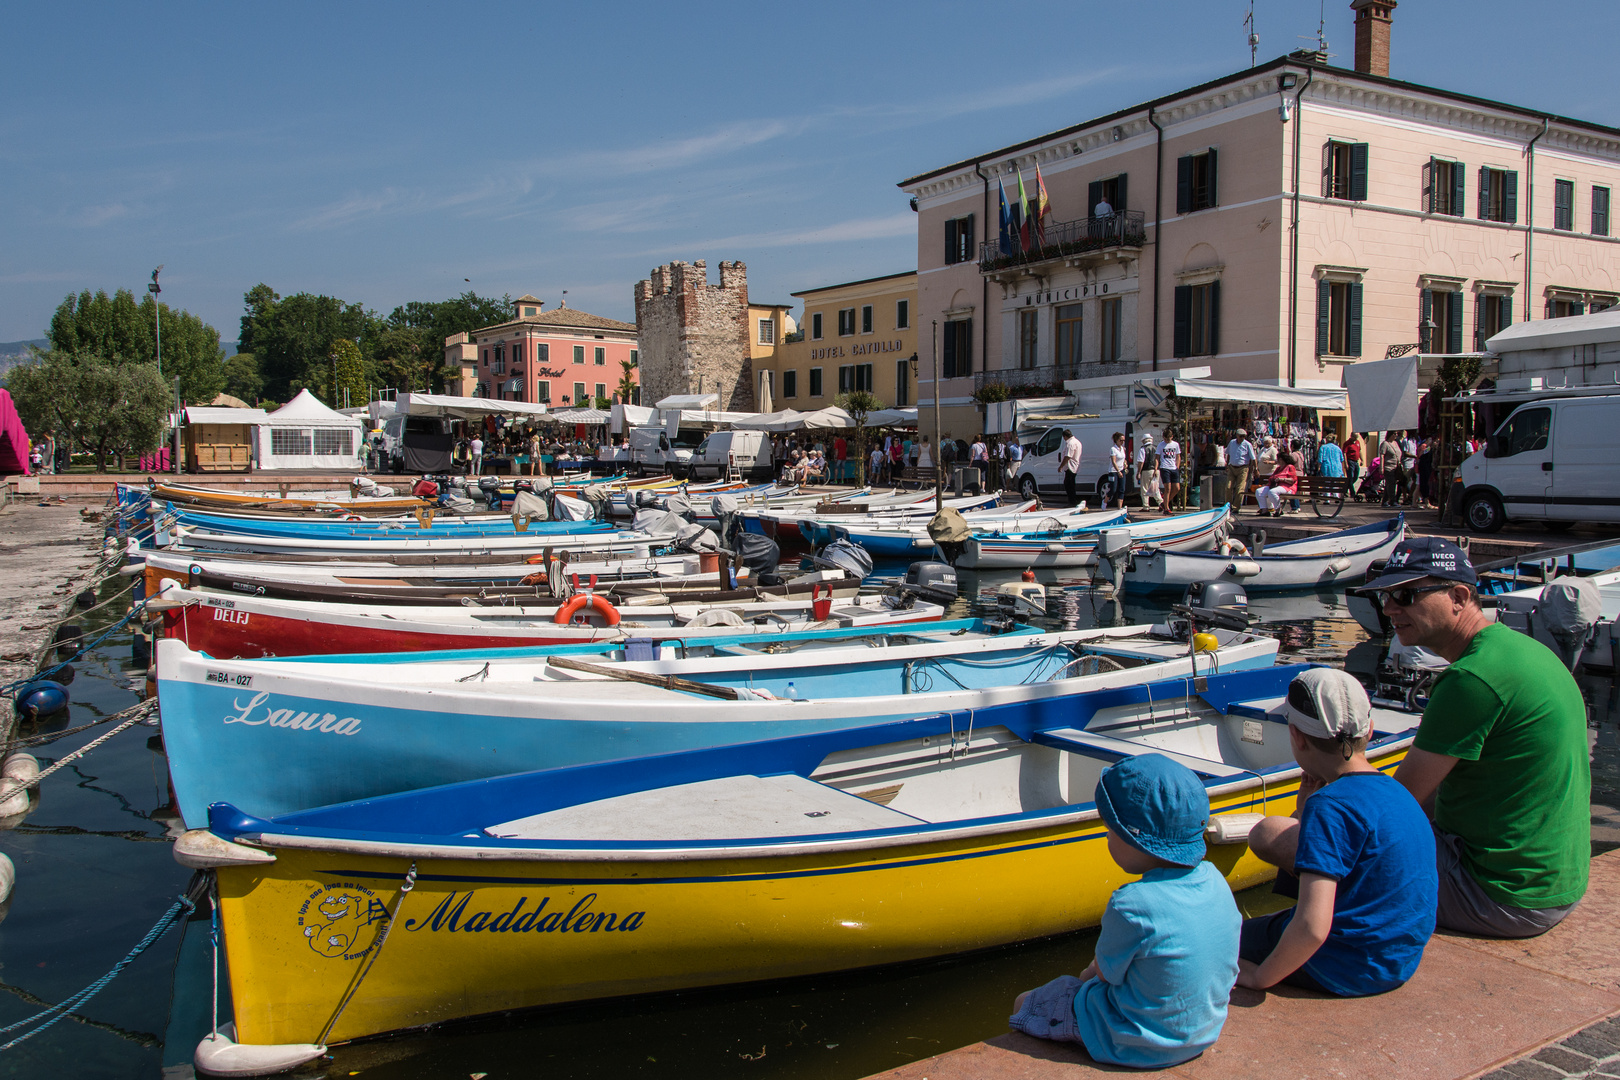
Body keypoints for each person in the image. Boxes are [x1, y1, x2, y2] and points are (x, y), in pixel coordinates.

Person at [1363, 538, 1591, 938]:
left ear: (1459, 596)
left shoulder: (1471, 680)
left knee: (1300, 842)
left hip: (1498, 897)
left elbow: (1397, 806)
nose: (1389, 608)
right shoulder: (1520, 650)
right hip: (1553, 885)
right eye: (1385, 595)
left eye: (1405, 594)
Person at [1009, 755, 1239, 1067]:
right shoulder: (1215, 879)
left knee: (1027, 1002)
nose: (1106, 837)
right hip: (1201, 1033)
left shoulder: (1131, 903)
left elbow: (1102, 974)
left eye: (1108, 830)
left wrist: (1085, 978)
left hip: (1134, 1042)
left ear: (1132, 838)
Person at [1238, 669, 1437, 996]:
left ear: (1298, 737)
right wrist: (1305, 811)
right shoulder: (1396, 791)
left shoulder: (1330, 805)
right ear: (1370, 730)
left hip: (1344, 967)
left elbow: (1312, 928)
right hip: (1396, 962)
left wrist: (1261, 978)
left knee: (1218, 938)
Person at [1225, 428, 1257, 515]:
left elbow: (1253, 458)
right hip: (1232, 467)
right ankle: (1228, 505)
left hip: (1243, 468)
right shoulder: (1232, 443)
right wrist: (1227, 464)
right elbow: (1228, 453)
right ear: (1237, 436)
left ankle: (1236, 507)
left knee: (1240, 488)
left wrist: (1255, 469)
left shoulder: (1247, 444)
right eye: (1241, 436)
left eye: (1244, 436)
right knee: (1228, 487)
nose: (1242, 438)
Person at [1158, 429, 1182, 514]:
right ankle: (1166, 508)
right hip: (1165, 467)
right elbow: (1157, 457)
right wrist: (1156, 468)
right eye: (1165, 439)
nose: (1166, 441)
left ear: (1171, 437)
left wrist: (1177, 466)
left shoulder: (1175, 444)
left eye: (1168, 439)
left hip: (1173, 467)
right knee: (1168, 488)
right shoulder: (1161, 445)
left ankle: (1164, 503)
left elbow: (1178, 456)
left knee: (1176, 488)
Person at [1135, 433, 1161, 509]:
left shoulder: (1143, 449)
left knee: (1144, 488)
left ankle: (1146, 506)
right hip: (1156, 470)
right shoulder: (1156, 448)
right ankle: (1161, 503)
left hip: (1146, 470)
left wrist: (1139, 472)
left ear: (1143, 441)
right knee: (1155, 488)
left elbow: (1141, 461)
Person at [1058, 429, 1082, 507]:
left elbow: (1068, 456)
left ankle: (1072, 501)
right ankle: (1072, 500)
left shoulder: (1070, 443)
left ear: (1065, 436)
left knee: (1069, 485)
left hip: (1070, 466)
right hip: (1074, 466)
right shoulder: (1077, 442)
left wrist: (1061, 466)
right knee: (1070, 484)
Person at [1379, 432, 1403, 507]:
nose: (1396, 435)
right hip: (1388, 467)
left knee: (1389, 484)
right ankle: (1392, 501)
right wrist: (1381, 467)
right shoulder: (1385, 444)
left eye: (1396, 434)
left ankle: (1385, 501)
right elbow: (1382, 456)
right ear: (1390, 434)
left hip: (1396, 468)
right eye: (1394, 434)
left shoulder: (1396, 443)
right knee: (1391, 484)